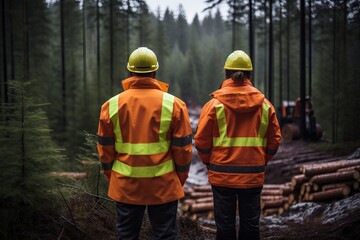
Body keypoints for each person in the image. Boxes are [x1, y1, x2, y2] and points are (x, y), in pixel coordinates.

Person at [97, 47, 192, 240]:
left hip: (126, 184)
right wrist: (179, 179)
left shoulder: (111, 105)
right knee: (165, 235)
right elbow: (183, 149)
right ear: (155, 72)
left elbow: (105, 149)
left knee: (127, 235)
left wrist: (112, 176)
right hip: (163, 185)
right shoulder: (174, 104)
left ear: (130, 72)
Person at [194, 50, 281, 240]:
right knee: (251, 224)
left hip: (222, 174)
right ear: (250, 75)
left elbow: (201, 140)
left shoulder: (213, 105)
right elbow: (275, 140)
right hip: (252, 175)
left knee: (224, 225)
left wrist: (210, 162)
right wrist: (260, 160)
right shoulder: (265, 105)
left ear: (226, 74)